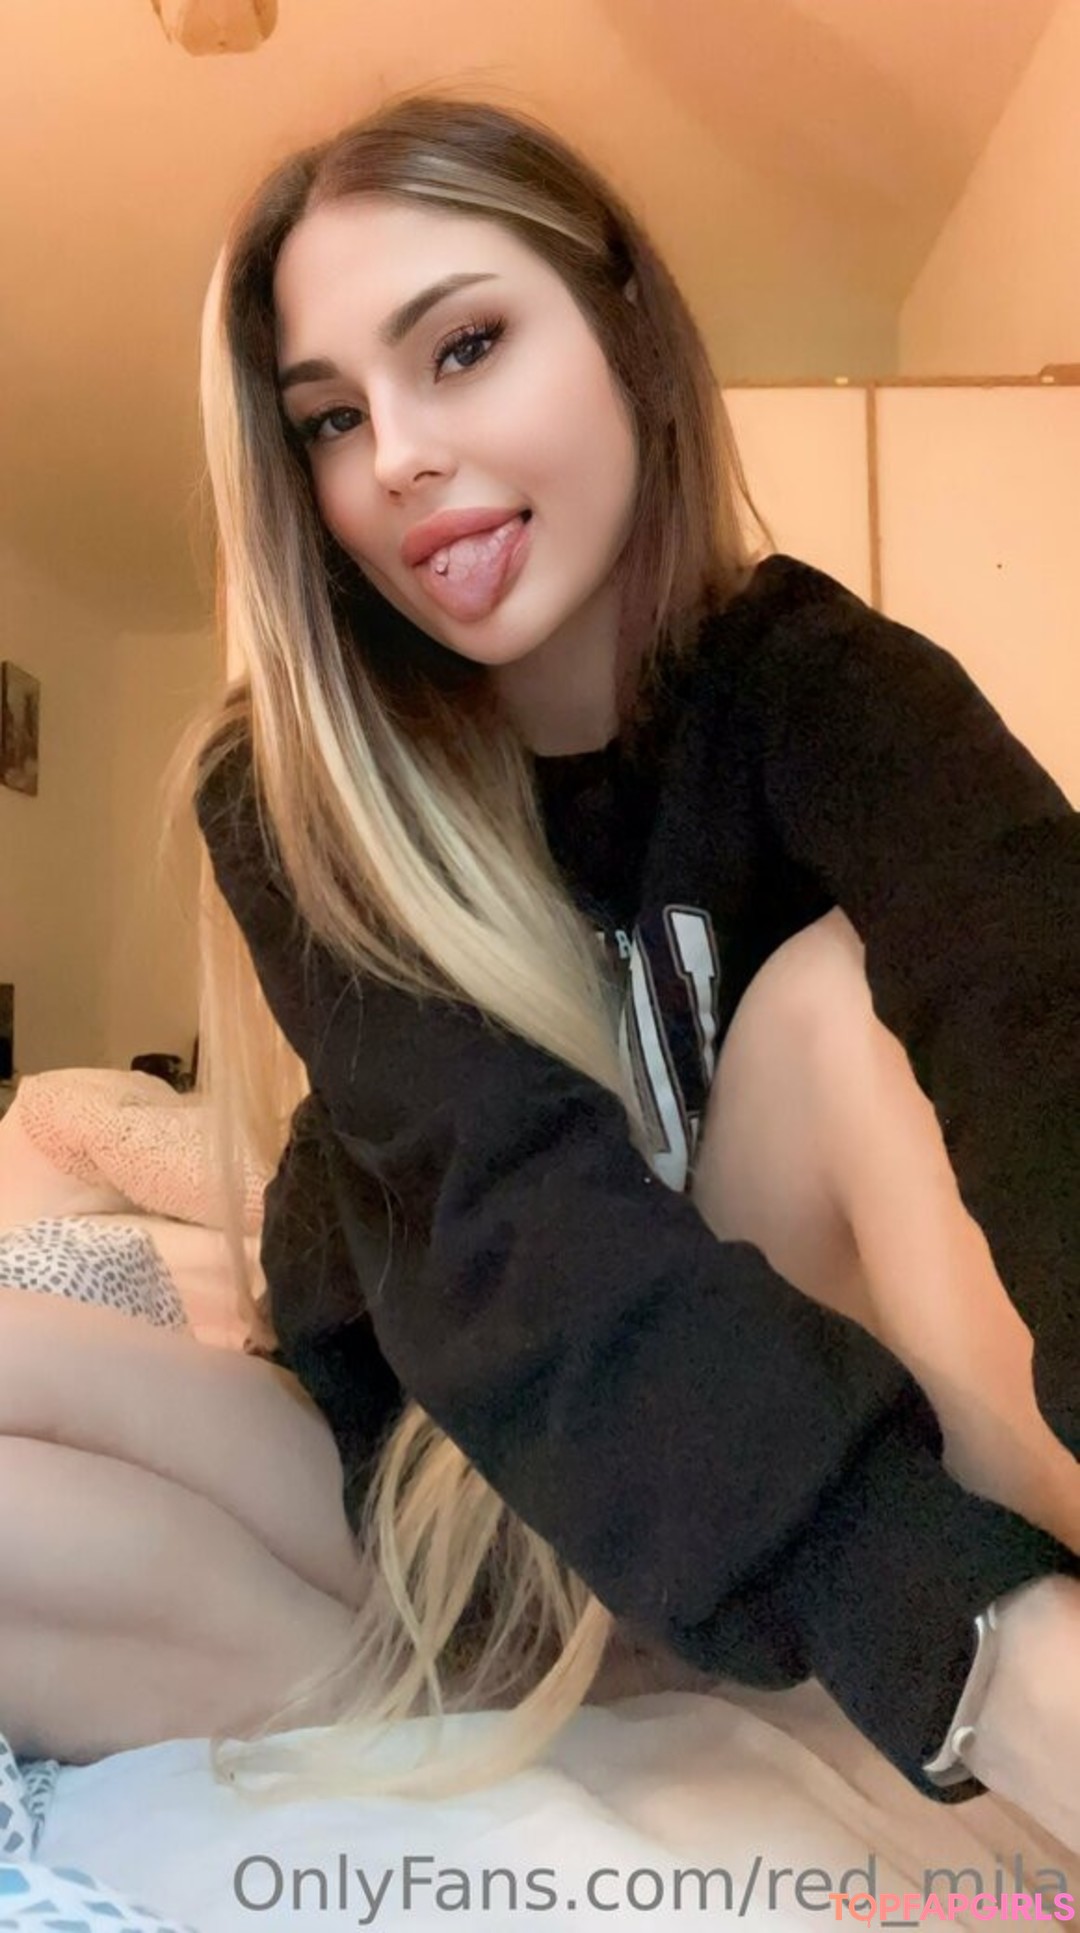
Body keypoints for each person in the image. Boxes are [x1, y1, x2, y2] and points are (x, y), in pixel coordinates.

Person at [3, 93, 1078, 1840]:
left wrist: (982, 1638)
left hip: (738, 1422)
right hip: (421, 1464)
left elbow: (1040, 1013)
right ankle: (537, 1712)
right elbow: (497, 1220)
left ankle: (685, 1679)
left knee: (831, 1006)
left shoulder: (819, 688)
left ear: (629, 332)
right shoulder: (297, 791)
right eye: (331, 419)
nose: (397, 458)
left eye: (465, 348)